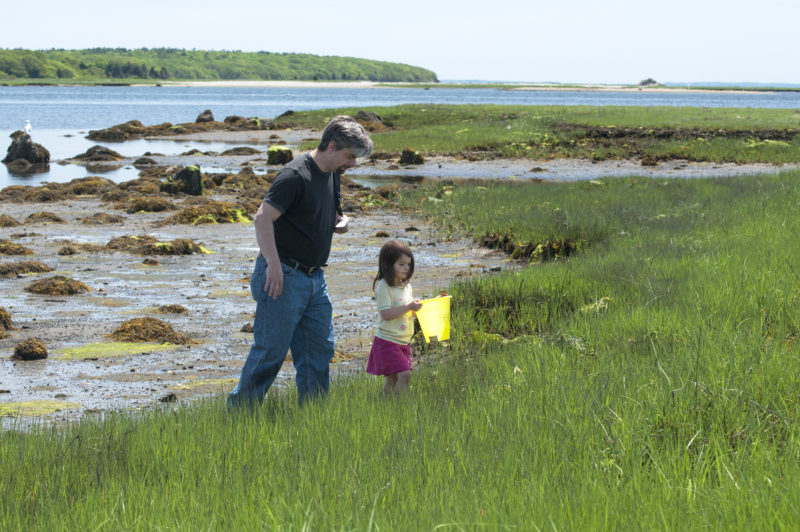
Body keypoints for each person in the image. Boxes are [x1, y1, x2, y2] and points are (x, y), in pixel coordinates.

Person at [228, 115, 373, 407]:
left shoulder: (332, 174)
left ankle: (313, 415)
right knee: (271, 351)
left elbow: (329, 213)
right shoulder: (295, 175)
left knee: (319, 349)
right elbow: (262, 219)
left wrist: (338, 223)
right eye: (349, 156)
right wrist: (273, 265)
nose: (352, 164)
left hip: (314, 279)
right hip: (283, 275)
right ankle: (240, 415)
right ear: (331, 146)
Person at [366, 240, 423, 394]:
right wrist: (408, 307)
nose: (406, 268)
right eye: (401, 264)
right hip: (388, 340)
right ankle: (400, 408)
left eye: (409, 264)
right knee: (405, 374)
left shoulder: (407, 287)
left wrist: (417, 308)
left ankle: (386, 406)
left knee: (392, 378)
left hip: (404, 340)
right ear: (388, 265)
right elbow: (386, 314)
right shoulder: (384, 287)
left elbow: (408, 312)